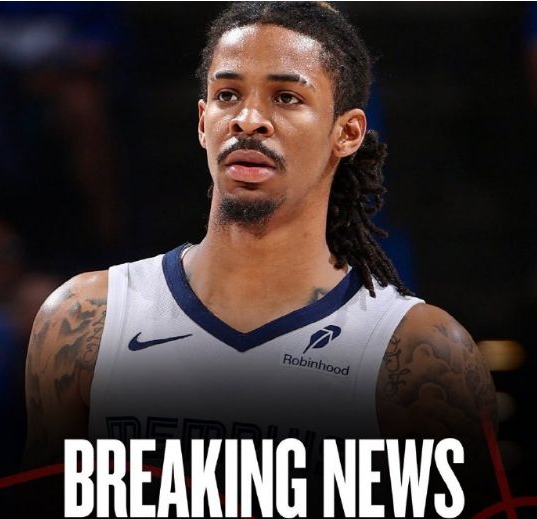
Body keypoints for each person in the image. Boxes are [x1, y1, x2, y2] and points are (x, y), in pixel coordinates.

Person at [25, 2, 498, 516]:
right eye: (228, 95)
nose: (248, 120)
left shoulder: (419, 352)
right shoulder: (85, 318)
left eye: (286, 97)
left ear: (347, 133)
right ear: (203, 122)